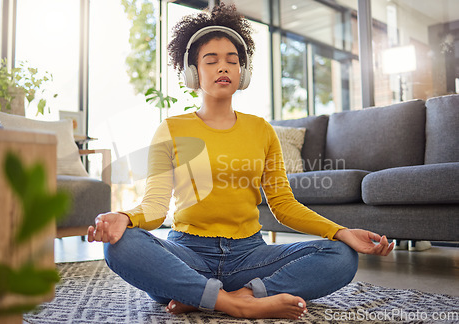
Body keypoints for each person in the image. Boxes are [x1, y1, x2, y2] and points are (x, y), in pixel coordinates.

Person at [88, 4, 394, 320]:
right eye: (212, 61)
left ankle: (221, 294)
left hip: (250, 254)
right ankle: (234, 303)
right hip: (188, 254)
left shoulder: (262, 131)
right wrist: (124, 217)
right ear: (192, 72)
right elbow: (154, 207)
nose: (224, 67)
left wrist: (340, 231)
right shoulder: (171, 130)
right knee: (118, 245)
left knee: (342, 256)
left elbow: (284, 206)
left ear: (242, 73)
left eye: (232, 61)